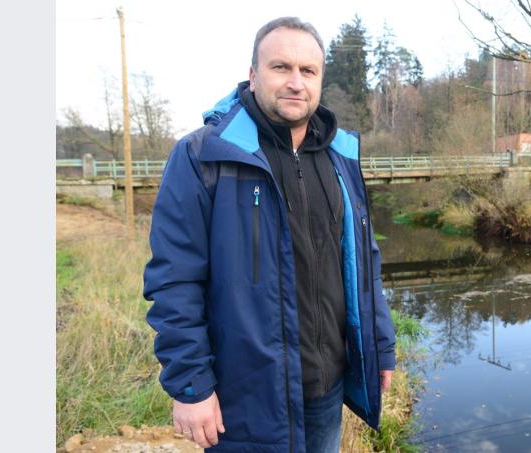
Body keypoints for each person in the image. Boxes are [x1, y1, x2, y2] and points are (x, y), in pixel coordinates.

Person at [143, 16, 396, 453]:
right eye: (281, 67)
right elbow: (175, 279)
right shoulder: (204, 156)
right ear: (253, 74)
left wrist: (380, 344)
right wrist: (191, 385)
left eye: (308, 70)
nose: (296, 82)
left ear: (320, 80)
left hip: (326, 388)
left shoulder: (340, 159)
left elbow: (364, 262)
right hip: (245, 398)